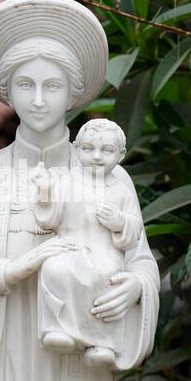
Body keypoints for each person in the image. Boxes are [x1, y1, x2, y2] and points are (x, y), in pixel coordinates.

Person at [0, 0, 160, 381]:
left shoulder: (111, 176)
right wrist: (10, 272)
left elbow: (139, 259)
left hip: (78, 369)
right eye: (24, 84)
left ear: (72, 92)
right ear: (7, 91)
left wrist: (137, 288)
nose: (37, 100)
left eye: (52, 86)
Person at [31, 119, 143, 368]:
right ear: (76, 148)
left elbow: (134, 232)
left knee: (107, 282)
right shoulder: (66, 183)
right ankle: (58, 328)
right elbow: (49, 219)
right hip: (70, 249)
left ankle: (104, 343)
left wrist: (120, 222)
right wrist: (45, 191)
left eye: (107, 150)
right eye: (88, 149)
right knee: (54, 269)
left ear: (121, 155)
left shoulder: (121, 190)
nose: (97, 157)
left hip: (104, 254)